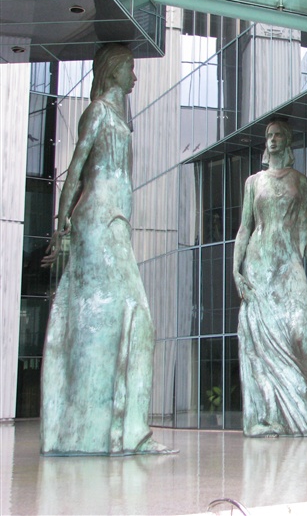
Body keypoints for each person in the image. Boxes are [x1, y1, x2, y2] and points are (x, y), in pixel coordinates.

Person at [40, 43, 173, 455]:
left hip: (113, 221)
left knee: (127, 318)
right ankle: (109, 431)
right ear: (112, 70)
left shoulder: (117, 116)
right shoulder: (98, 111)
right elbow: (77, 168)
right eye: (130, 68)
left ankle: (120, 431)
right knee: (127, 317)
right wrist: (61, 224)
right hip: (98, 220)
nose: (135, 76)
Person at [233, 119, 307, 436]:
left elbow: (302, 227)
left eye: (278, 135)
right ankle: (268, 415)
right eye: (269, 136)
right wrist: (235, 270)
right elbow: (245, 227)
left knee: (298, 336)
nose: (272, 140)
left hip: (288, 262)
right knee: (261, 345)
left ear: (287, 141)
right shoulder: (253, 182)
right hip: (259, 264)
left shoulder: (300, 181)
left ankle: (306, 417)